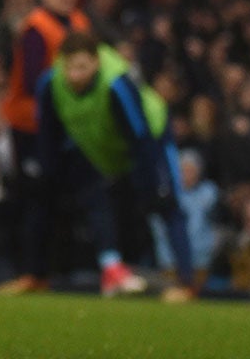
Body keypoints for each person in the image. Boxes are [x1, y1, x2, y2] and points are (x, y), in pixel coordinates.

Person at [31, 32, 196, 301]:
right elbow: (48, 136)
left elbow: (139, 134)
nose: (74, 75)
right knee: (96, 200)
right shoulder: (50, 84)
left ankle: (187, 283)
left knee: (166, 203)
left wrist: (146, 184)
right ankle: (113, 272)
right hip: (103, 147)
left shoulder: (118, 84)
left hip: (149, 139)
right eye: (69, 66)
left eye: (82, 67)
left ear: (95, 63)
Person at [0, 0, 89, 293]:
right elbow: (37, 81)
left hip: (65, 126)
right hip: (31, 127)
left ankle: (52, 272)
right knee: (35, 199)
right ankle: (30, 272)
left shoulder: (79, 23)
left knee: (59, 201)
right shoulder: (36, 27)